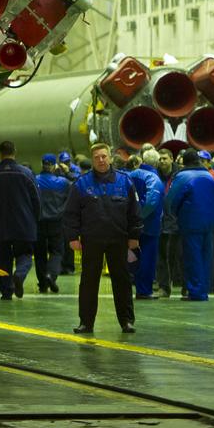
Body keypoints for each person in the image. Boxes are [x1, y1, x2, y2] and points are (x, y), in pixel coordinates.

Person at [63, 141, 141, 335]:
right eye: (97, 157)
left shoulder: (125, 181)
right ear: (92, 159)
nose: (101, 160)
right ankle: (86, 323)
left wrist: (134, 236)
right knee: (89, 282)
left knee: (122, 282)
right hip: (92, 240)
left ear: (110, 157)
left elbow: (134, 212)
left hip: (119, 239)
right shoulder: (81, 183)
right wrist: (73, 237)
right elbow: (70, 213)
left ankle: (127, 322)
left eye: (104, 156)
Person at [0, 141, 41, 300]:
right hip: (24, 224)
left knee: (2, 259)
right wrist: (34, 220)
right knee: (25, 254)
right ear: (15, 151)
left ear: (0, 153)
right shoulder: (26, 173)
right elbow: (37, 200)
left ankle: (6, 292)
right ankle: (19, 274)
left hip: (0, 226)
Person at [164, 148, 214, 301]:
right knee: (206, 256)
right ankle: (204, 289)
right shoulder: (209, 176)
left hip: (190, 221)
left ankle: (196, 292)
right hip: (210, 222)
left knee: (192, 256)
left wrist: (173, 213)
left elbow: (171, 199)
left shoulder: (183, 176)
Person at [129, 148, 165, 300]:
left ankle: (134, 286)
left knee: (133, 257)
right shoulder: (154, 179)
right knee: (148, 258)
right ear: (156, 163)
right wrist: (140, 217)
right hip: (149, 226)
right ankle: (144, 290)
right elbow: (150, 202)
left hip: (130, 225)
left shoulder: (130, 175)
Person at [34, 152, 70, 293]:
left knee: (40, 253)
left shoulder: (34, 181)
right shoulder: (63, 183)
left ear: (42, 164)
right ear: (55, 165)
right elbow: (70, 200)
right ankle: (51, 275)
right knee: (57, 251)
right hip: (57, 222)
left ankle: (42, 283)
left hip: (39, 222)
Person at [155, 148, 183, 297]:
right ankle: (164, 286)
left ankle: (182, 284)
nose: (162, 161)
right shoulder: (155, 175)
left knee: (177, 255)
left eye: (165, 158)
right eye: (160, 159)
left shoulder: (180, 175)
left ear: (172, 159)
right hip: (160, 221)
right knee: (162, 256)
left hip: (177, 221)